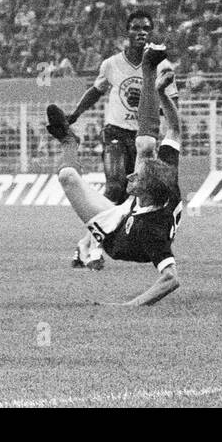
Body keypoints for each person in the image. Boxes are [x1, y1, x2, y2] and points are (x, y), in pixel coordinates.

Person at [48, 43, 181, 307]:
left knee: (67, 179)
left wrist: (128, 306)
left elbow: (171, 279)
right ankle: (148, 74)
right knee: (146, 147)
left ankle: (70, 146)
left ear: (145, 191)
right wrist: (161, 94)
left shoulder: (152, 232)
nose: (132, 177)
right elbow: (175, 130)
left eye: (137, 180)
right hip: (131, 211)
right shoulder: (164, 175)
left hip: (116, 235)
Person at [57, 10, 177, 270]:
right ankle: (96, 249)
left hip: (143, 137)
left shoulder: (162, 66)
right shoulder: (112, 64)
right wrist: (75, 115)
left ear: (151, 32)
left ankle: (84, 244)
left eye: (146, 28)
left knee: (126, 197)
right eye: (135, 28)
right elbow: (95, 91)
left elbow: (172, 101)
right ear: (128, 32)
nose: (141, 32)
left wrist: (155, 109)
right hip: (115, 133)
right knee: (114, 185)